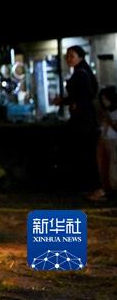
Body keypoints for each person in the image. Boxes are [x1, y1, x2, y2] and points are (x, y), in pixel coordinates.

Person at [57, 46, 105, 200]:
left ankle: (96, 188)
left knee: (87, 154)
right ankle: (90, 187)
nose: (69, 59)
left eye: (72, 56)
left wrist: (70, 102)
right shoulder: (83, 72)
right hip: (84, 120)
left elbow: (83, 96)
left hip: (83, 121)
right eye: (67, 56)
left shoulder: (81, 74)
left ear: (80, 57)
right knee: (84, 154)